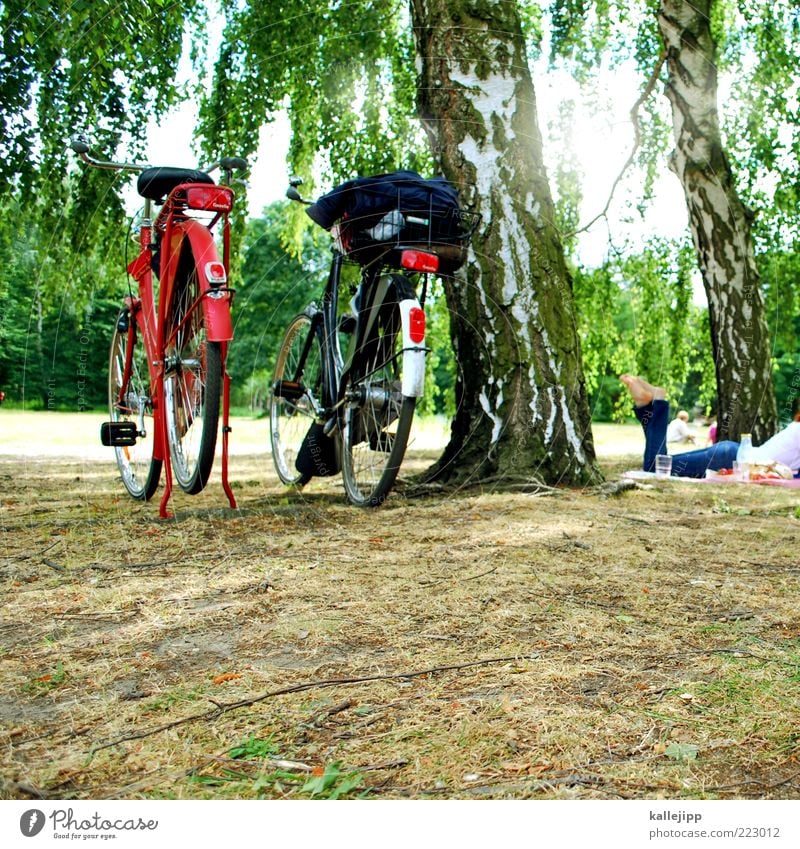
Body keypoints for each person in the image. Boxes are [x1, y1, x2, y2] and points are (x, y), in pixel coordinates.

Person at [620, 374, 800, 477]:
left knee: (660, 463)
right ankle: (656, 403)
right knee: (655, 468)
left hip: (732, 453)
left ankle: (647, 406)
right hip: (732, 460)